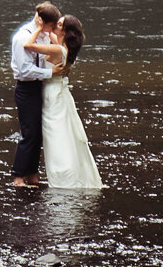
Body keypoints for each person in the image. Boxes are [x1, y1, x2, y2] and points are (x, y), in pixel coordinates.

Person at [23, 14, 103, 189]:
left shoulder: (59, 49)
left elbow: (28, 46)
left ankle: (62, 176)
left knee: (56, 134)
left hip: (53, 93)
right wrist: (46, 26)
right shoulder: (62, 46)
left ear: (65, 31)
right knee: (64, 132)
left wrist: (37, 28)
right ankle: (65, 174)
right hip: (59, 90)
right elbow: (52, 36)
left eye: (59, 25)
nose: (55, 26)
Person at [10, 2, 66, 187]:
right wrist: (51, 74)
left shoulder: (41, 36)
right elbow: (25, 70)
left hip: (39, 87)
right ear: (42, 22)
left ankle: (32, 174)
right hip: (26, 88)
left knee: (38, 133)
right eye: (51, 25)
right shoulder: (22, 37)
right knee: (29, 133)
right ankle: (18, 177)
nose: (52, 29)